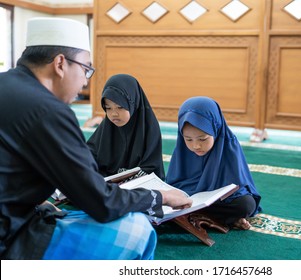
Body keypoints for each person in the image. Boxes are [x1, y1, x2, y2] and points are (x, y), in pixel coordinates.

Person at [0, 17, 191, 260]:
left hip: (17, 213)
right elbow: (102, 203)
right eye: (85, 69)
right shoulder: (48, 110)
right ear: (60, 63)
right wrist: (160, 196)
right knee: (136, 228)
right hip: (9, 239)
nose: (84, 81)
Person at [166, 96, 261, 230]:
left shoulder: (228, 145)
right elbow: (174, 183)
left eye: (203, 139)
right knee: (164, 200)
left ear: (216, 130)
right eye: (188, 139)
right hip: (188, 198)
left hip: (218, 201)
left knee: (245, 205)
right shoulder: (182, 150)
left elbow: (238, 185)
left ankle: (187, 216)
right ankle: (223, 219)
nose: (196, 146)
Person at [87, 74, 165, 179]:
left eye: (120, 107)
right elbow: (89, 156)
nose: (114, 113)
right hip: (107, 188)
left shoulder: (149, 129)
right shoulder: (106, 128)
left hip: (140, 188)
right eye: (108, 108)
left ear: (133, 103)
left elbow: (151, 168)